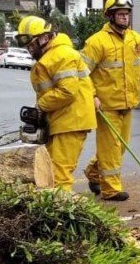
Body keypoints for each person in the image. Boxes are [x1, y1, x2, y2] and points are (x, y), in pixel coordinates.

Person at [80, 0, 140, 202]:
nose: (125, 17)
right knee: (111, 148)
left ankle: (94, 173)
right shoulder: (96, 42)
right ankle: (111, 189)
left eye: (127, 14)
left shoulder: (136, 40)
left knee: (121, 145)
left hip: (128, 103)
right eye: (120, 14)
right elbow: (81, 73)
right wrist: (92, 96)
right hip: (106, 107)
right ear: (110, 16)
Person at [16, 15, 96, 191]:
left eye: (32, 44)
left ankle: (62, 213)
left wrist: (40, 107)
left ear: (45, 38)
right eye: (27, 46)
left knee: (59, 174)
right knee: (50, 170)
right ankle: (54, 208)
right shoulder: (52, 56)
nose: (30, 49)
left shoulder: (61, 56)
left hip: (71, 121)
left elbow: (67, 91)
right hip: (61, 120)